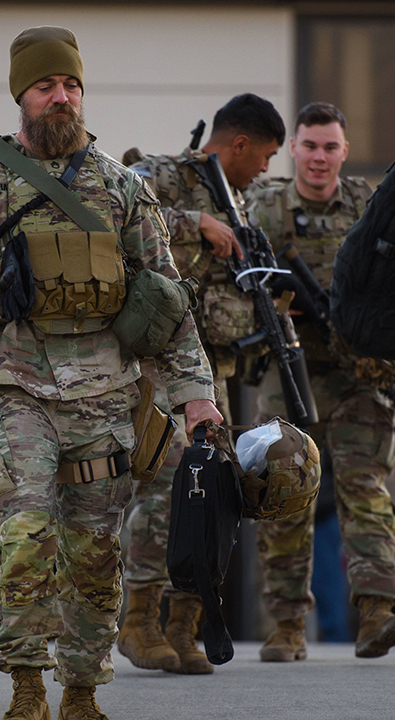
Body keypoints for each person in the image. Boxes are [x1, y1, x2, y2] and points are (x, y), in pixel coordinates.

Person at [0, 26, 219, 720]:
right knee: (24, 536)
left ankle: (80, 691)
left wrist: (196, 395)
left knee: (95, 551)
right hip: (13, 389)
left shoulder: (123, 187)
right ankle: (25, 687)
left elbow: (168, 299)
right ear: (22, 95)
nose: (61, 97)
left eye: (71, 85)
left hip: (106, 396)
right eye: (46, 86)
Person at [120, 93, 285, 676]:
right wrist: (197, 223)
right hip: (161, 367)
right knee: (165, 487)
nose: (265, 169)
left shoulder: (242, 201)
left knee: (215, 492)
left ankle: (186, 623)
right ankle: (139, 620)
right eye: (265, 156)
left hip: (214, 371)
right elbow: (117, 219)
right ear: (239, 144)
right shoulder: (161, 175)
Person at [243, 102, 395, 662]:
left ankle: (376, 613)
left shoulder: (369, 205)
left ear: (345, 151)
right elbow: (233, 277)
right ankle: (287, 624)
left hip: (358, 372)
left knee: (366, 489)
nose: (319, 158)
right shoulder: (262, 206)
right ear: (293, 148)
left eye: (330, 147)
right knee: (282, 489)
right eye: (310, 146)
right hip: (288, 369)